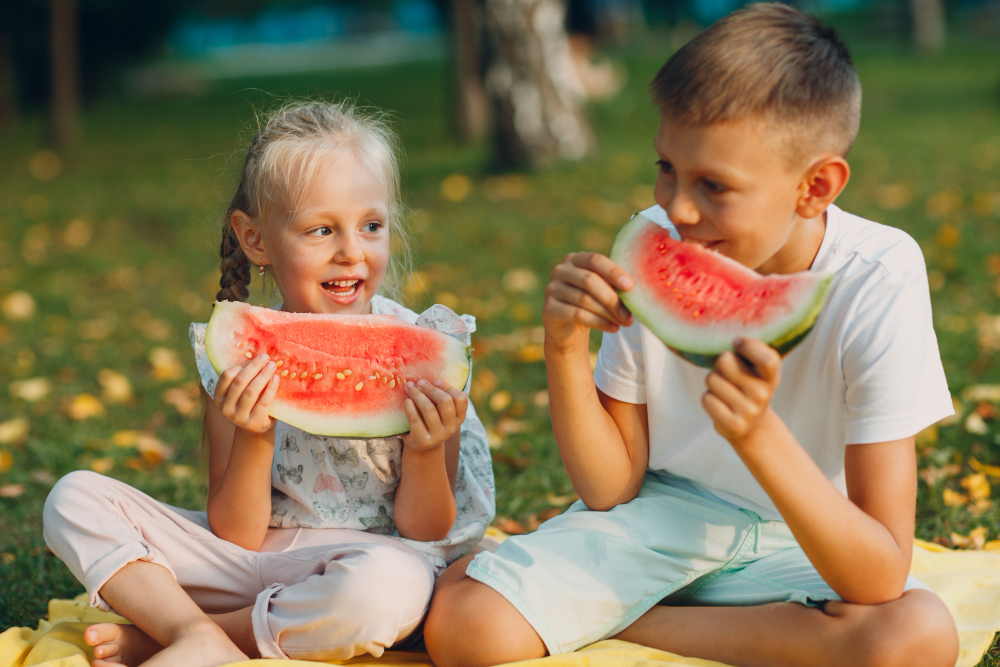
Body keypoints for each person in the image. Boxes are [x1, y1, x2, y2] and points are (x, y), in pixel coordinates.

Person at [424, 5, 960, 666]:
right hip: (660, 520)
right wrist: (563, 346)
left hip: (811, 534)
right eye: (667, 168)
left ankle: (619, 622)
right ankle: (751, 632)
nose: (677, 208)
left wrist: (757, 435)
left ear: (814, 187)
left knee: (918, 636)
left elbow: (878, 573)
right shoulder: (652, 245)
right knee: (466, 626)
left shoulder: (877, 276)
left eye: (713, 185)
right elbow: (609, 488)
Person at [42, 100, 495, 667]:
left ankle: (184, 634)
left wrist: (427, 448)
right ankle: (194, 629)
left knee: (388, 589)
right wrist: (253, 434)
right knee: (74, 498)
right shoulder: (233, 357)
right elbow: (235, 534)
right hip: (248, 560)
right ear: (256, 239)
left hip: (373, 558)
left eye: (371, 226)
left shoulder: (429, 350)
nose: (351, 251)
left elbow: (427, 527)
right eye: (321, 229)